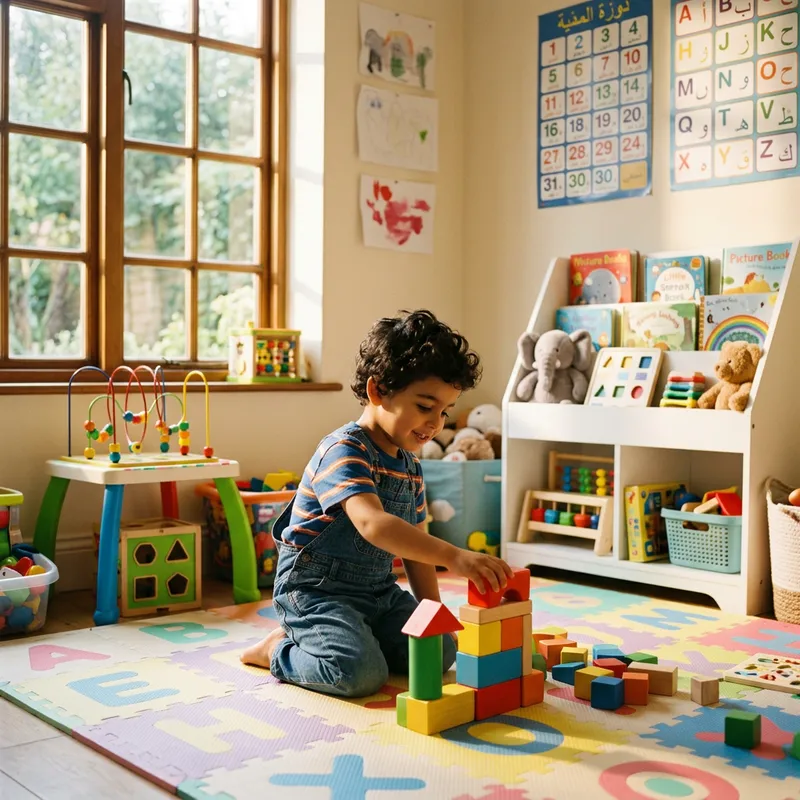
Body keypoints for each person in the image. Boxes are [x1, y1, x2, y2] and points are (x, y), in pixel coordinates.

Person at [241, 309, 512, 697]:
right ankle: (277, 649)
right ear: (378, 390)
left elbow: (416, 548)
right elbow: (373, 524)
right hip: (315, 591)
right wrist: (456, 557)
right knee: (357, 673)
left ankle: (356, 638)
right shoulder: (343, 450)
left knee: (441, 650)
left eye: (445, 411)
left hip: (377, 592)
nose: (436, 423)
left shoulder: (411, 466)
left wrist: (432, 612)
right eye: (425, 406)